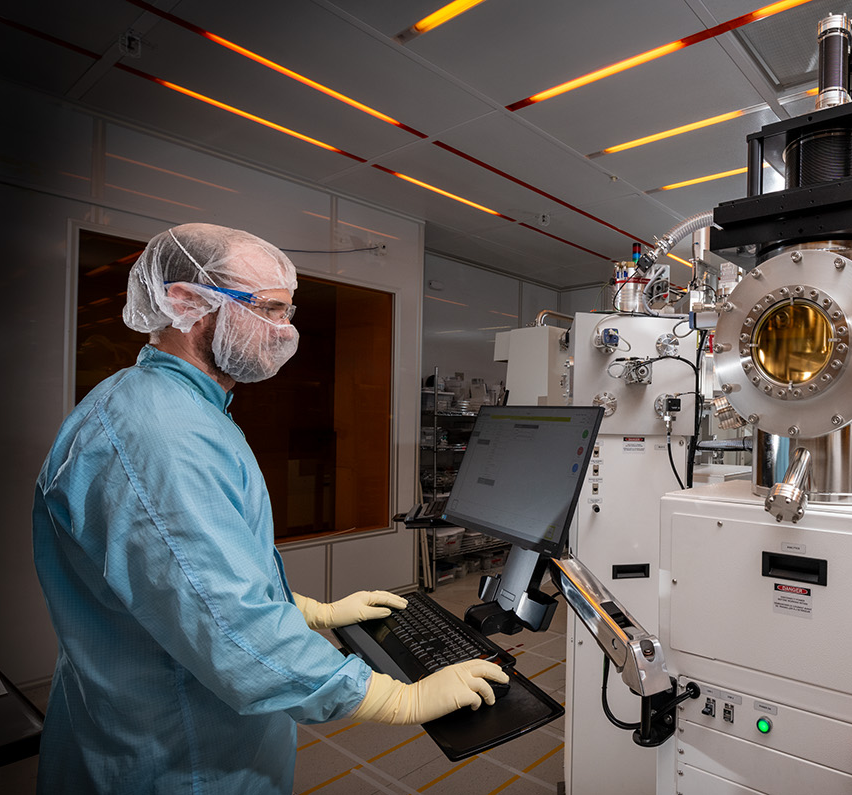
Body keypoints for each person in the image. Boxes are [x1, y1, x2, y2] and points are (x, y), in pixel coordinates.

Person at [32, 223, 507, 793]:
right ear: (186, 304)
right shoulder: (160, 435)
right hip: (179, 754)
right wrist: (394, 697)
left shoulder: (176, 406)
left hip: (167, 721)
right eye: (269, 309)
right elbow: (221, 619)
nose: (286, 331)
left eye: (288, 311)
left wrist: (311, 612)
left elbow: (187, 577)